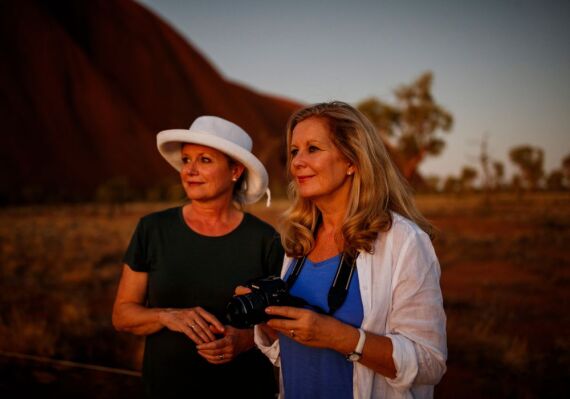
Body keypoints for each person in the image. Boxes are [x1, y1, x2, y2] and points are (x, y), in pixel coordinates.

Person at [249, 101, 447, 398]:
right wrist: (266, 318)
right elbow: (294, 352)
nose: (297, 162)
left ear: (352, 160)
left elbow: (430, 362)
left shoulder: (402, 241)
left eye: (313, 149)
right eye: (294, 151)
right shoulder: (298, 240)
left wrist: (341, 338)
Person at [112, 116, 284, 398]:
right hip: (167, 389)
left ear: (235, 171)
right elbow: (122, 315)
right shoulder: (152, 229)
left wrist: (245, 339)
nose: (189, 170)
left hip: (245, 388)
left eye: (204, 160)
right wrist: (167, 315)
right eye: (186, 159)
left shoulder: (265, 239)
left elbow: (286, 321)